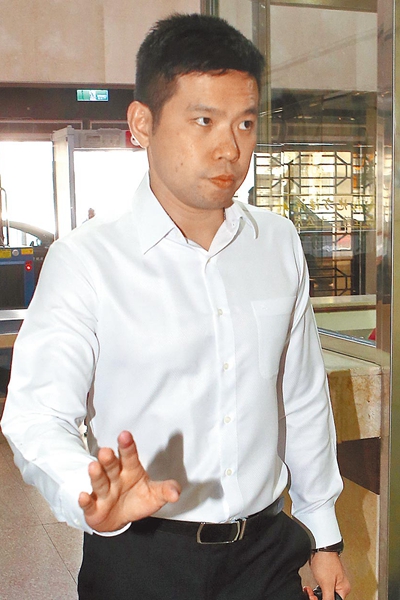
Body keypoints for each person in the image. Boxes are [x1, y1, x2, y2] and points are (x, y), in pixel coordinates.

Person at [1, 13, 350, 600]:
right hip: (142, 556)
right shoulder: (87, 260)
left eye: (245, 123)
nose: (230, 148)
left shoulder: (277, 243)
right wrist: (90, 493)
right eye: (204, 121)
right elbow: (37, 415)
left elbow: (302, 397)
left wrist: (323, 534)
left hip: (265, 553)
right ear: (143, 123)